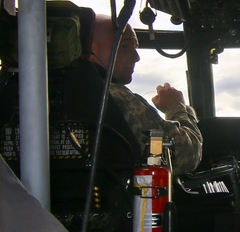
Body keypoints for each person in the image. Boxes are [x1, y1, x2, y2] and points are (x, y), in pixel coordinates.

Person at [87, 14, 203, 176]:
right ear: (92, 49)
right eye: (126, 46)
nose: (136, 57)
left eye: (136, 47)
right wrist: (177, 108)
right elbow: (186, 156)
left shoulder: (60, 89)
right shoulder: (116, 96)